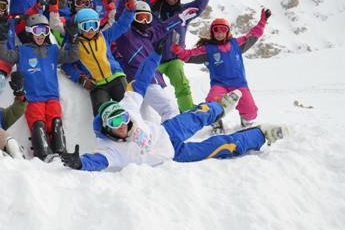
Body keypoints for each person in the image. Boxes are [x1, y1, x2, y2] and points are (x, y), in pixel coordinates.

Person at [60, 45, 289, 172]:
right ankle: (261, 134)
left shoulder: (128, 105)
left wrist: (155, 55)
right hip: (175, 154)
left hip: (168, 131)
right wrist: (80, 163)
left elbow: (142, 80)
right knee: (222, 146)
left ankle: (219, 107)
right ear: (106, 128)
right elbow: (97, 161)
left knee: (197, 116)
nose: (121, 126)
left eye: (122, 118)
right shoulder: (111, 149)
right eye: (114, 123)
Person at [171, 9, 272, 133]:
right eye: (216, 30)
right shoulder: (208, 49)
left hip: (239, 85)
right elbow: (189, 55)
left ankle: (246, 121)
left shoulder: (236, 44)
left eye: (223, 29)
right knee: (211, 104)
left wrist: (262, 22)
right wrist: (177, 50)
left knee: (251, 111)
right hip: (220, 85)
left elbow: (252, 36)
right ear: (212, 32)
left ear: (227, 31)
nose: (219, 33)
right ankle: (216, 124)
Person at [0, 14, 79, 160]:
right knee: (38, 123)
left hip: (52, 95)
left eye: (44, 31)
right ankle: (43, 153)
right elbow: (4, 55)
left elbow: (72, 56)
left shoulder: (53, 50)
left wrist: (73, 41)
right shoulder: (21, 51)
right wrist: (2, 38)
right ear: (30, 31)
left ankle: (61, 152)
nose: (41, 35)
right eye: (37, 31)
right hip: (33, 97)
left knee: (55, 122)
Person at [115, 1, 198, 122]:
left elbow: (163, 28)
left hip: (150, 80)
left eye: (147, 18)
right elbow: (120, 18)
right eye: (140, 17)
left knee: (143, 117)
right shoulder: (126, 35)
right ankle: (170, 133)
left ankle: (148, 133)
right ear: (133, 18)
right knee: (170, 108)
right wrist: (126, 5)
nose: (144, 21)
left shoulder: (147, 35)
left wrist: (179, 18)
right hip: (142, 80)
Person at [151, 0, 211, 112]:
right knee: (154, 88)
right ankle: (155, 117)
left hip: (173, 59)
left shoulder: (184, 12)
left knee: (182, 84)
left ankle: (187, 112)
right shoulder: (152, 11)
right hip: (153, 59)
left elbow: (200, 4)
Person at [61, 2, 136, 115]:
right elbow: (66, 65)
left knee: (128, 108)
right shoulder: (74, 46)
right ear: (78, 28)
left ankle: (134, 124)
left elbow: (121, 25)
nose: (91, 30)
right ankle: (104, 126)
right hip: (97, 84)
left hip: (116, 77)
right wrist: (81, 78)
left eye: (94, 25)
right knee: (101, 114)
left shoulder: (104, 36)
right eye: (86, 26)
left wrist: (129, 11)